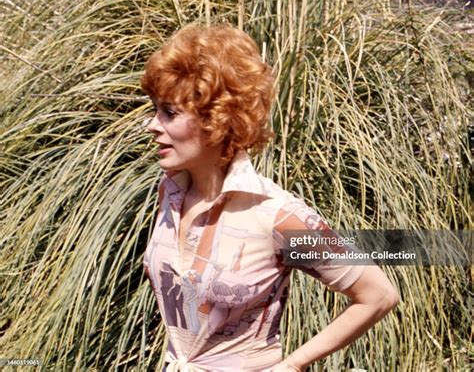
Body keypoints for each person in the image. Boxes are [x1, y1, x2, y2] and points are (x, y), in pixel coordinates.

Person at [141, 24, 399, 372]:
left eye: (169, 113)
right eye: (156, 110)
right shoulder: (170, 192)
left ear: (217, 119)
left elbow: (378, 295)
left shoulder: (274, 214)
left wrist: (292, 365)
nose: (151, 125)